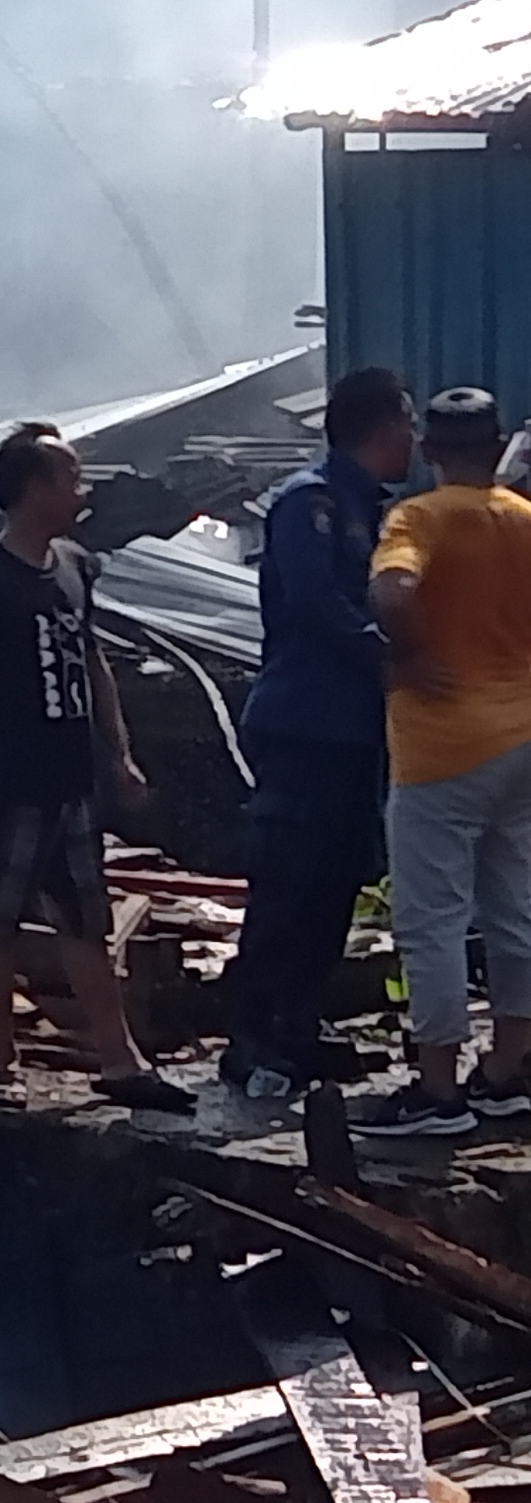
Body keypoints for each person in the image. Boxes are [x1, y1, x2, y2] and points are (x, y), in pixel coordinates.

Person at [0, 423, 187, 1111]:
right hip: (7, 786)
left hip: (69, 780)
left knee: (85, 923)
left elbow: (92, 662)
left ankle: (119, 1059)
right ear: (34, 489)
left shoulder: (74, 566)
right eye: (70, 478)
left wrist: (119, 753)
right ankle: (2, 1065)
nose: (83, 489)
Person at [222, 369, 415, 1099]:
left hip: (353, 731)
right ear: (382, 426)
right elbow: (315, 603)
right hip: (305, 722)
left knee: (332, 884)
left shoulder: (377, 511)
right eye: (406, 425)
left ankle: (298, 1027)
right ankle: (253, 1038)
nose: (415, 442)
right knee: (288, 885)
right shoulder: (312, 503)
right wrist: (392, 660)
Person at [351, 388, 531, 1136]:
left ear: (429, 450)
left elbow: (393, 591)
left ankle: (437, 1090)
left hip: (441, 751)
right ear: (496, 448)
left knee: (433, 921)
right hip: (521, 738)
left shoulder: (416, 517)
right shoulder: (524, 519)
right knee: (516, 911)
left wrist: (410, 655)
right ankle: (507, 1071)